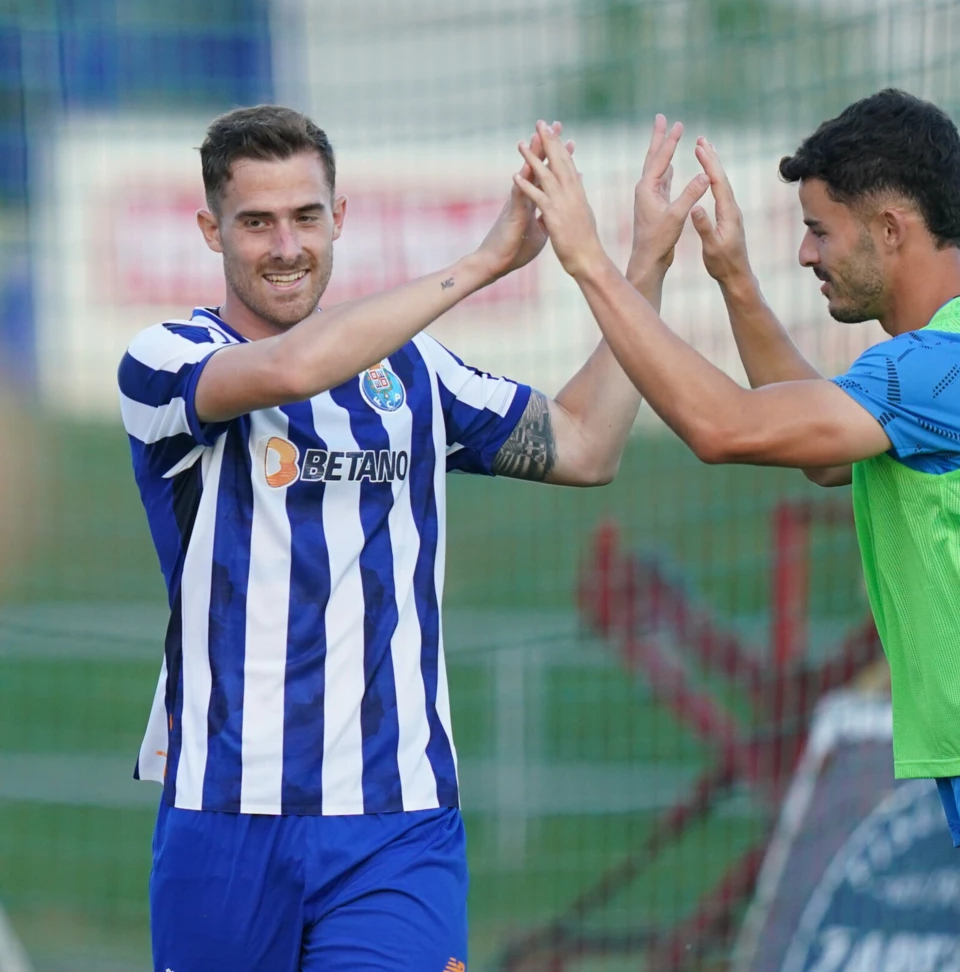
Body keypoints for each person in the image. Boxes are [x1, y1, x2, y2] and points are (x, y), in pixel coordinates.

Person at [515, 92, 960, 971]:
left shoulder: (949, 367)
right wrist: (735, 282)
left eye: (819, 231)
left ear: (888, 228)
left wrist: (590, 264)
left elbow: (727, 427)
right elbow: (822, 453)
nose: (806, 253)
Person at [118, 104, 708, 972]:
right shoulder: (165, 359)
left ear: (340, 218)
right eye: (257, 223)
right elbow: (291, 368)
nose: (287, 246)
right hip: (226, 813)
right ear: (212, 232)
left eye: (306, 217)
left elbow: (587, 445)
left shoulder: (413, 369)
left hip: (396, 823)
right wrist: (484, 263)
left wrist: (644, 268)